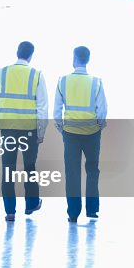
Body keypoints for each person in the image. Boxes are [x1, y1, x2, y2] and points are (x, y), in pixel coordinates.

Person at [0, 41, 48, 222]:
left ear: (17, 52)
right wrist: (41, 132)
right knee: (29, 168)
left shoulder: (2, 73)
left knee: (8, 169)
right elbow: (42, 107)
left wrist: (3, 124)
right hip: (29, 130)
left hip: (8, 129)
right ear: (31, 55)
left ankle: (10, 211)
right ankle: (31, 205)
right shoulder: (36, 75)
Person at [54, 46, 108, 223]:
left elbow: (57, 110)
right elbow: (102, 109)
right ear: (88, 60)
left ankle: (73, 213)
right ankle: (92, 210)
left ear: (75, 59)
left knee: (72, 172)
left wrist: (61, 127)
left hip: (70, 133)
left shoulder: (63, 81)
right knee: (92, 170)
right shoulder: (96, 82)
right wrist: (99, 124)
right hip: (92, 133)